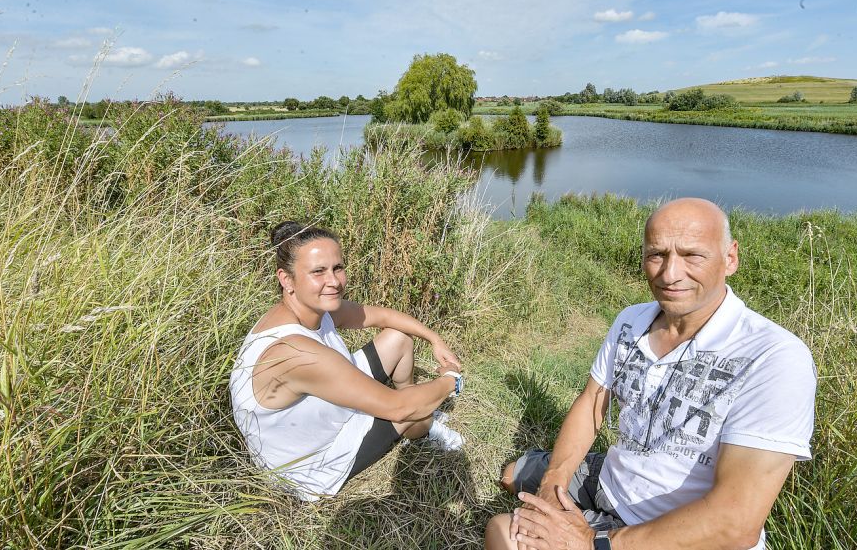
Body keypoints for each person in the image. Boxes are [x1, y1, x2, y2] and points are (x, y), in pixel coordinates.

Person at [485, 198, 817, 550]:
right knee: (513, 475)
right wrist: (554, 484)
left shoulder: (774, 357)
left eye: (692, 256)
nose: (670, 274)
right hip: (614, 481)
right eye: (657, 254)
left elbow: (734, 522)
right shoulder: (632, 320)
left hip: (676, 530)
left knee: (504, 532)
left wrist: (594, 543)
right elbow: (592, 403)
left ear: (730, 258)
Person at [230, 221, 465, 501]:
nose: (334, 281)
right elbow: (398, 408)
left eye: (337, 268)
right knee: (410, 412)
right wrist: (451, 380)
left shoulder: (311, 309)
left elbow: (381, 316)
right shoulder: (296, 352)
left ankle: (417, 403)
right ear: (286, 279)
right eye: (318, 271)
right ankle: (424, 425)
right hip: (307, 464)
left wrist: (434, 338)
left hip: (313, 413)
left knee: (399, 339)